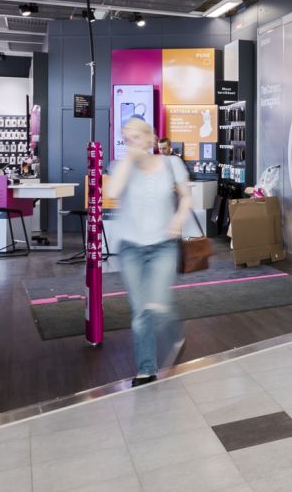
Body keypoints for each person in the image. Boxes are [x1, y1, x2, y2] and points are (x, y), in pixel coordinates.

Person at [103, 117, 190, 385]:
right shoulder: (120, 166)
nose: (132, 143)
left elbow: (186, 196)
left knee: (157, 305)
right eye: (126, 139)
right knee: (141, 310)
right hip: (131, 248)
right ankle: (146, 369)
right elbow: (112, 192)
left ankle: (175, 333)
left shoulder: (171, 164)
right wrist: (129, 159)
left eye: (137, 137)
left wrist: (178, 218)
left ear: (151, 138)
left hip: (163, 245)